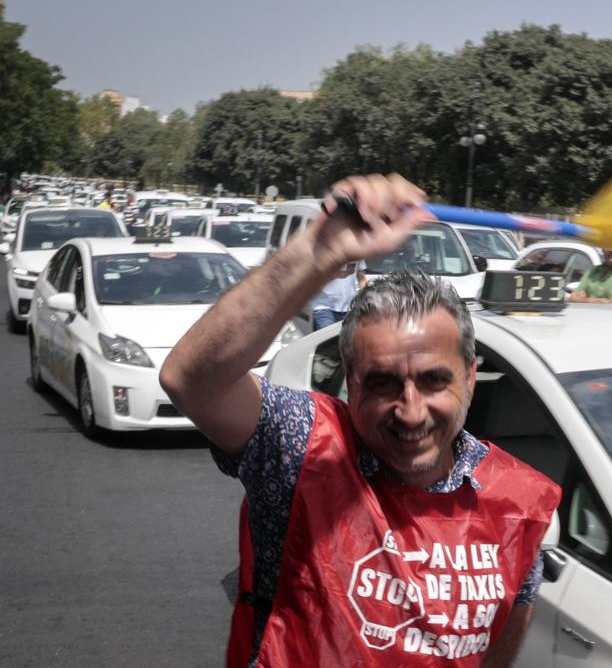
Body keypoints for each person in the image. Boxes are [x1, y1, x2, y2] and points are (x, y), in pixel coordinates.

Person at [160, 174, 561, 667]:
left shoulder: (519, 503)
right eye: (383, 384)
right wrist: (320, 253)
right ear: (349, 379)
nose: (411, 413)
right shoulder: (302, 448)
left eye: (435, 382)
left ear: (471, 376)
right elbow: (193, 381)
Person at [312, 260, 366, 330]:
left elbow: (361, 278)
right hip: (324, 308)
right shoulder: (321, 251)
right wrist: (335, 275)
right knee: (330, 339)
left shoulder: (357, 252)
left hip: (350, 309)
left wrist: (364, 299)